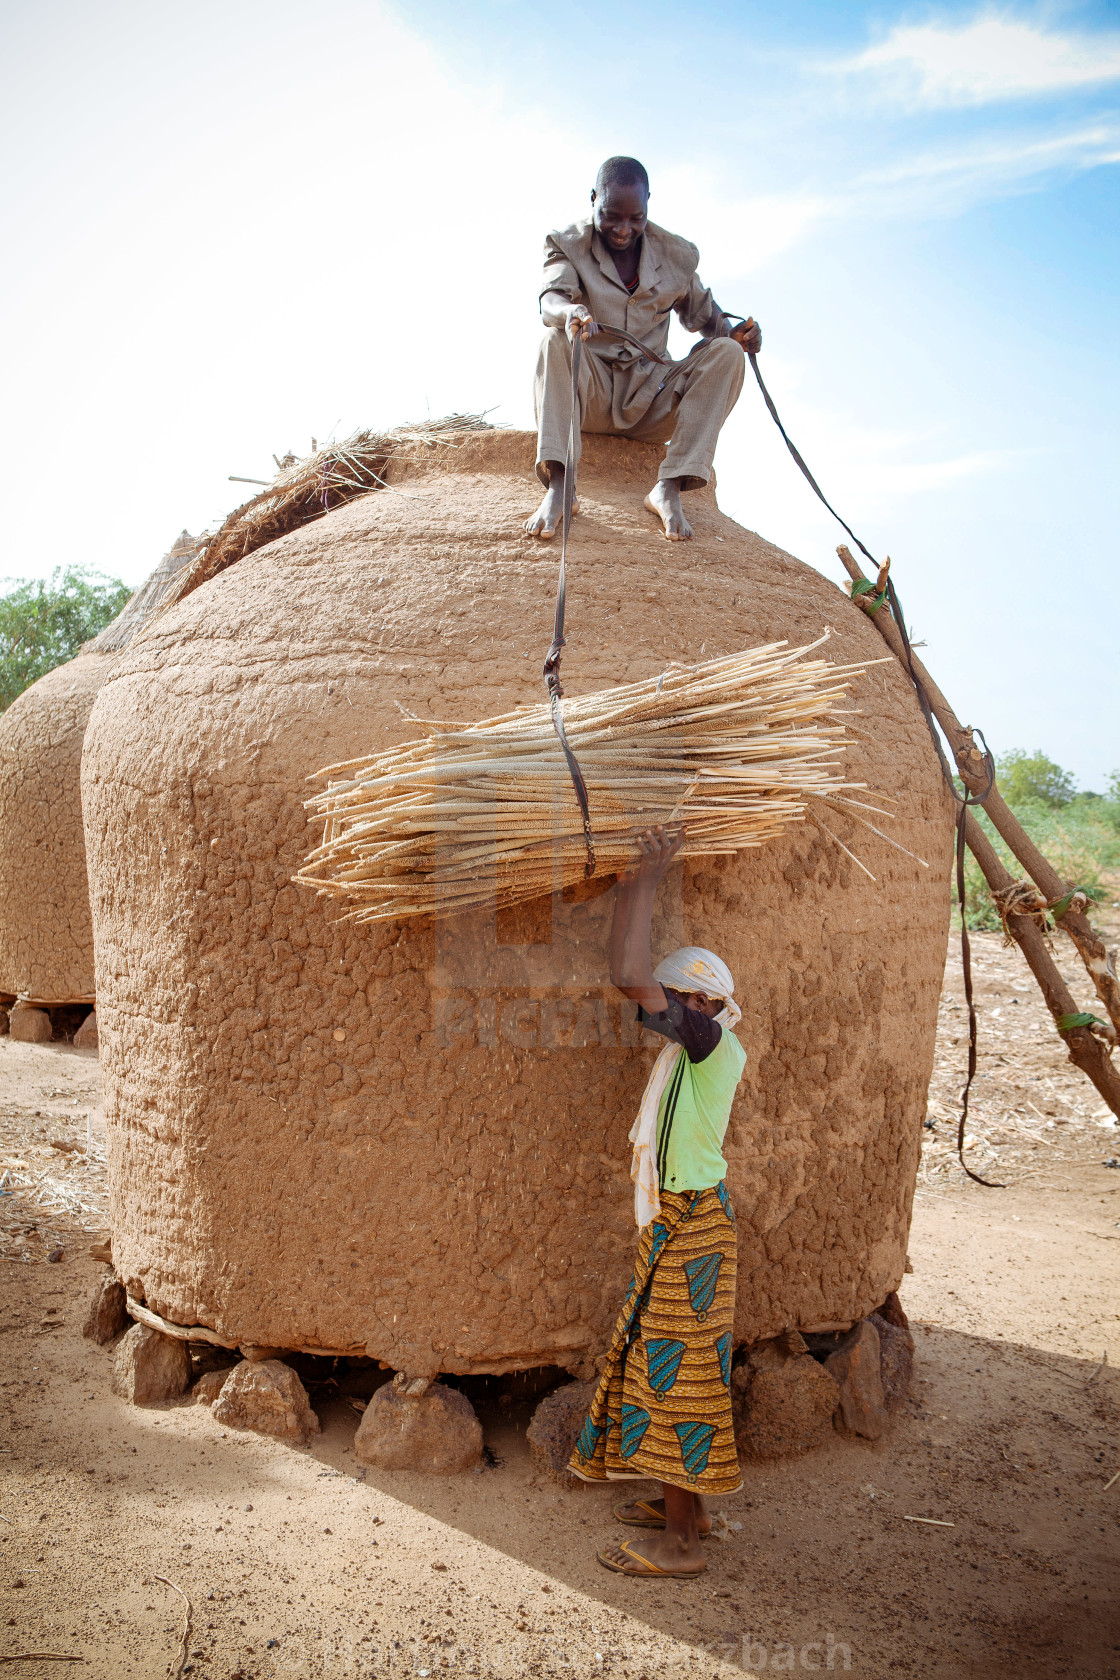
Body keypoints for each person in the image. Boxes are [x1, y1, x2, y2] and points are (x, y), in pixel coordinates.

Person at [568, 825, 747, 1579]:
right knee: (659, 1363)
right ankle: (689, 1509)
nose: (659, 1009)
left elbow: (626, 973)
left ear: (702, 1002)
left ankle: (681, 1547)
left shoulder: (708, 1042)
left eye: (674, 999)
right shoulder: (694, 1049)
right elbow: (637, 979)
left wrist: (643, 879)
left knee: (678, 1380)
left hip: (696, 1225)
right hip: (684, 1222)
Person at [525, 155, 762, 544]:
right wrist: (569, 311)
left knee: (726, 353)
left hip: (651, 401)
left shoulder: (677, 256)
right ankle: (561, 485)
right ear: (593, 199)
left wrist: (740, 335)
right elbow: (550, 299)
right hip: (591, 394)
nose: (623, 229)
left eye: (636, 218)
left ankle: (668, 487)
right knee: (553, 339)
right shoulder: (566, 243)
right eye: (612, 216)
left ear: (649, 203)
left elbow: (708, 320)